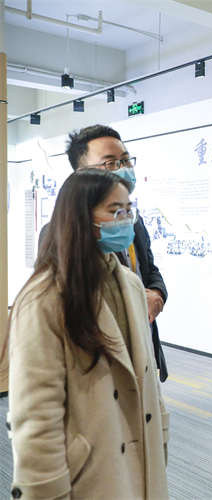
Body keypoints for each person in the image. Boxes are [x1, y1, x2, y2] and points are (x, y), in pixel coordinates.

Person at [6, 169, 169, 499]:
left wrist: (160, 434)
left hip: (140, 451)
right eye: (114, 211)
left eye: (129, 210)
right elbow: (36, 411)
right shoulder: (44, 297)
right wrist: (45, 489)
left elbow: (145, 375)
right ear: (80, 216)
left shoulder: (131, 284)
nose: (126, 220)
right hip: (90, 469)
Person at [39, 124, 170, 382]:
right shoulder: (59, 233)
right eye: (110, 163)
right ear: (82, 174)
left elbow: (149, 270)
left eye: (125, 160)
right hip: (96, 362)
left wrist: (156, 293)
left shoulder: (133, 222)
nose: (122, 169)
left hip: (142, 349)